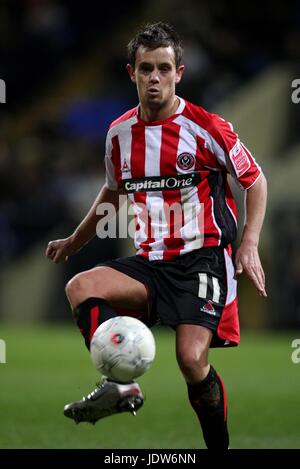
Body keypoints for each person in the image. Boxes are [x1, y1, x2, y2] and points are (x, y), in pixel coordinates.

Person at [46, 22, 267, 450]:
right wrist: (75, 241)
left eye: (164, 68)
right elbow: (112, 190)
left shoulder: (207, 127)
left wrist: (250, 242)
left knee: (190, 360)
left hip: (202, 260)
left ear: (179, 72)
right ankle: (120, 384)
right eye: (146, 68)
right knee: (81, 286)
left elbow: (255, 181)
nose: (154, 78)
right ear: (132, 72)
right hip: (151, 263)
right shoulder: (119, 134)